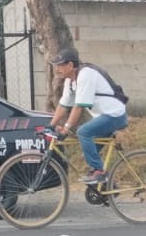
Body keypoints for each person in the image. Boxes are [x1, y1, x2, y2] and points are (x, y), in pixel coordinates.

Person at [46, 48, 127, 184]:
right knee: (88, 152)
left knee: (83, 132)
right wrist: (50, 126)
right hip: (103, 117)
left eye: (60, 65)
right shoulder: (70, 81)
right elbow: (63, 105)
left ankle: (100, 173)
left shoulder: (86, 75)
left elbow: (78, 107)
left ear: (70, 65)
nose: (56, 69)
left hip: (115, 115)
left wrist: (65, 129)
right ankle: (109, 187)